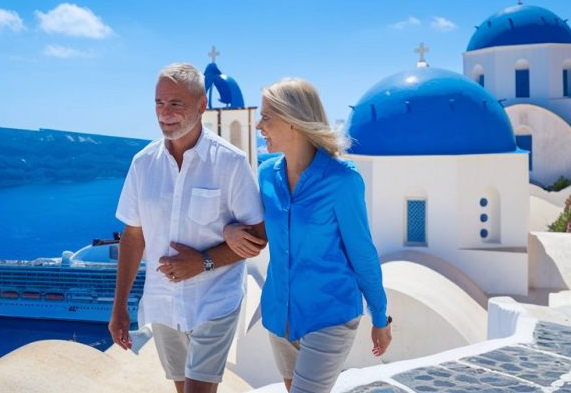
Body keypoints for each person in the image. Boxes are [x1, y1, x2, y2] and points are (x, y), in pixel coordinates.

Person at [224, 78, 391, 393]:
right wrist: (228, 230)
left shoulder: (342, 181)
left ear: (293, 122)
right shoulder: (266, 175)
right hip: (279, 315)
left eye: (267, 117)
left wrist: (380, 317)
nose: (259, 125)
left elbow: (362, 252)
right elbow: (253, 228)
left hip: (330, 315)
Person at [109, 63, 267, 393]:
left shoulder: (231, 163)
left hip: (215, 300)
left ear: (201, 106)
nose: (165, 113)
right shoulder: (142, 163)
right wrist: (119, 306)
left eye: (176, 104)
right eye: (159, 103)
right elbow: (133, 236)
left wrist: (203, 262)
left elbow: (258, 238)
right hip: (163, 303)